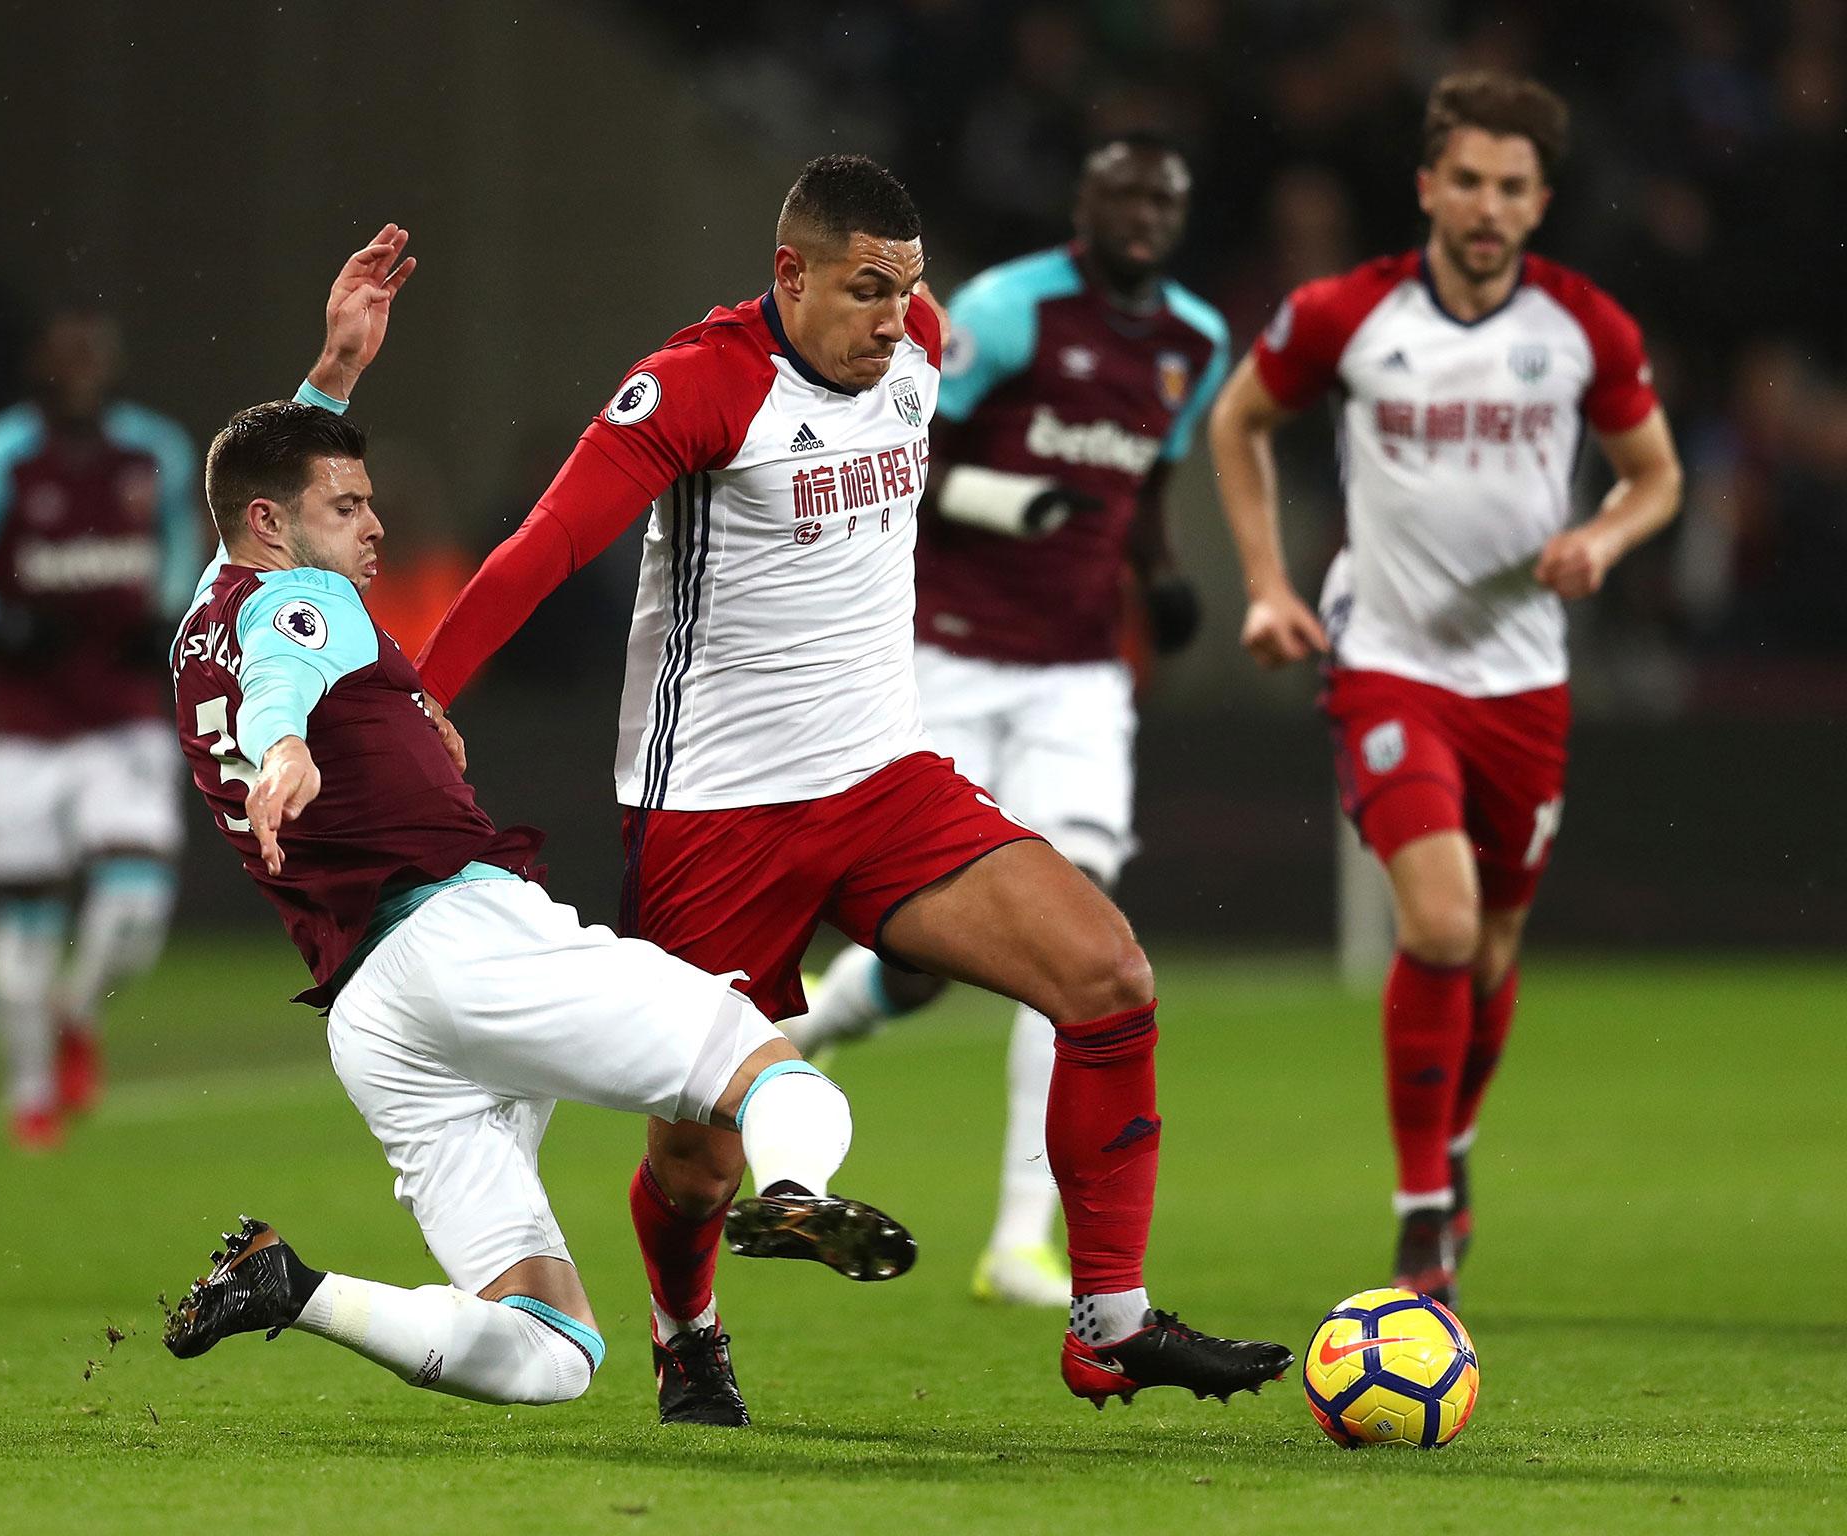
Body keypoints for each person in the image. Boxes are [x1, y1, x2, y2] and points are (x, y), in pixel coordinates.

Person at [414, 156, 1293, 1423]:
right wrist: (421, 693)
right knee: (696, 1162)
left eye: (907, 289)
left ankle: (1107, 1328)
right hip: (714, 815)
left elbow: (938, 471)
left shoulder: (922, 347)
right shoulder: (701, 384)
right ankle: (687, 1331)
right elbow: (542, 548)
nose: (894, 319)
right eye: (866, 290)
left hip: (885, 782)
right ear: (790, 274)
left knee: (1106, 978)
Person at [162, 230, 912, 1411]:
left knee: (550, 1352)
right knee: (768, 1067)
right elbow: (282, 664)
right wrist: (290, 741)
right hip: (461, 945)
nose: (373, 529)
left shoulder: (202, 606)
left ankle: (287, 1287)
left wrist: (335, 372)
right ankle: (799, 1194)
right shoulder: (299, 600)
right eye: (347, 505)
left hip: (374, 1021)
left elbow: (260, 549)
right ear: (271, 525)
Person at [1206, 73, 1683, 1303]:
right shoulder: (1346, 314)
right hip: (1388, 662)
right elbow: (1236, 422)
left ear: (1538, 202)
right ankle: (1421, 1211)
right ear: (1426, 186)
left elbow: (1656, 478)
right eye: (1465, 179)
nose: (1485, 204)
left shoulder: (1583, 329)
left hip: (1521, 679)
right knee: (1438, 924)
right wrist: (1265, 583)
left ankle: (1453, 1148)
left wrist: (1605, 542)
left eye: (1510, 186)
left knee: (1491, 948)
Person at [781, 132, 1230, 1310]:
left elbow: (1142, 486)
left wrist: (1161, 571)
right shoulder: (1009, 308)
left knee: (1079, 936)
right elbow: (907, 443)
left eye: (1161, 196)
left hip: (1079, 677)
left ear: (1178, 217)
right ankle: (792, 1046)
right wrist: (1009, 499)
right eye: (1120, 191)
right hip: (948, 662)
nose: (1140, 213)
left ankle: (1022, 1240)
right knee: (920, 968)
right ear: (1083, 201)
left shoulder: (1193, 341)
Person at [0, 307, 201, 1149]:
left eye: (89, 360)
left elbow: (180, 547)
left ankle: (76, 1012)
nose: (77, 375)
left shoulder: (155, 451)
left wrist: (165, 610)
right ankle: (31, 1092)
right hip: (21, 722)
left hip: (119, 711)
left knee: (138, 905)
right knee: (28, 906)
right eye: (62, 361)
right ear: (38, 369)